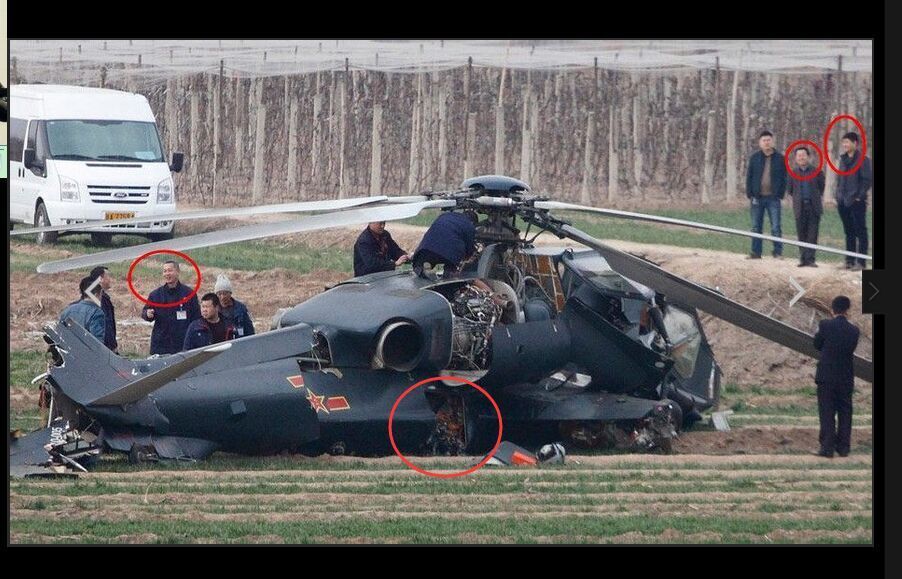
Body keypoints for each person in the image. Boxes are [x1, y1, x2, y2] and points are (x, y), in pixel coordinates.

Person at [813, 295, 860, 458]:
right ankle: (843, 447)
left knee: (827, 411)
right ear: (847, 310)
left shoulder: (825, 325)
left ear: (832, 309)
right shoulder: (854, 331)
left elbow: (817, 344)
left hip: (826, 376)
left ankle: (827, 447)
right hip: (846, 377)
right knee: (845, 412)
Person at [141, 260, 201, 355]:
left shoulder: (189, 293)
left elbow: (197, 318)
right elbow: (145, 313)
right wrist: (147, 314)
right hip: (161, 344)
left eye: (170, 270)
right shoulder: (156, 295)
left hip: (183, 344)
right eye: (165, 271)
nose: (167, 274)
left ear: (177, 272)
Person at [745, 130, 787, 259]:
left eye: (768, 140)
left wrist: (780, 194)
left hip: (773, 198)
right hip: (757, 198)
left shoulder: (780, 158)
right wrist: (750, 194)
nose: (766, 143)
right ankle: (756, 252)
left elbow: (784, 178)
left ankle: (777, 252)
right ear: (760, 143)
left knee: (776, 226)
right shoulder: (755, 158)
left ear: (772, 141)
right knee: (756, 226)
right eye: (764, 140)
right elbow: (749, 176)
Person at [834, 132, 872, 270]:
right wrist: (838, 195)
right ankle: (849, 261)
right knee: (848, 231)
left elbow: (867, 180)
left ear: (855, 143)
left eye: (847, 142)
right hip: (843, 201)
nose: (845, 145)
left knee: (860, 231)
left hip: (856, 201)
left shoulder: (863, 160)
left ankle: (861, 262)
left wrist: (859, 196)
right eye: (843, 142)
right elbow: (839, 179)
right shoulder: (842, 159)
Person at [785, 147, 826, 267]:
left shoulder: (817, 171)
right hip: (800, 206)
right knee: (801, 233)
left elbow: (821, 187)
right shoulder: (792, 172)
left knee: (812, 234)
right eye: (799, 155)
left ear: (808, 157)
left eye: (803, 155)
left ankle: (811, 259)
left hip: (813, 206)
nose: (801, 157)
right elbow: (790, 190)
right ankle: (803, 259)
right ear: (796, 158)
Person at [411, 210, 479, 278]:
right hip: (447, 255)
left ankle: (422, 269)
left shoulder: (445, 215)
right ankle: (444, 273)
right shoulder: (469, 225)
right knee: (448, 271)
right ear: (472, 222)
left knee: (420, 265)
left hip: (425, 249)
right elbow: (469, 249)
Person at [59, 276, 106, 343]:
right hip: (85, 349)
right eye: (101, 294)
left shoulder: (68, 310)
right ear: (96, 295)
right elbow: (97, 342)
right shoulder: (97, 313)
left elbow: (60, 334)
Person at [214, 273, 255, 338]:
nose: (222, 297)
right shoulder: (214, 310)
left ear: (230, 293)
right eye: (219, 294)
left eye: (225, 293)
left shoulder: (241, 308)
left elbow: (250, 331)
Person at [89, 265, 119, 352]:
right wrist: (112, 346)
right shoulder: (98, 299)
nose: (110, 280)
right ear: (100, 279)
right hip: (103, 349)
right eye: (108, 276)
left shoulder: (100, 297)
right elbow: (105, 324)